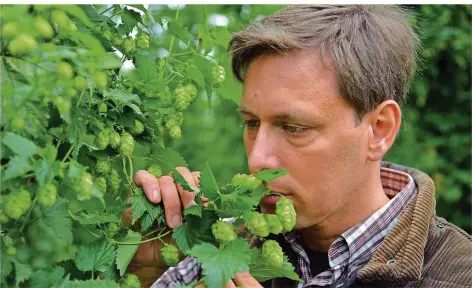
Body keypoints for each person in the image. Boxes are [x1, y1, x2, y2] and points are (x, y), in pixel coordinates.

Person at [123, 5, 472, 288]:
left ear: (380, 130)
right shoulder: (225, 244)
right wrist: (147, 269)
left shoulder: (457, 274)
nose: (258, 158)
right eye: (251, 123)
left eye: (294, 128)